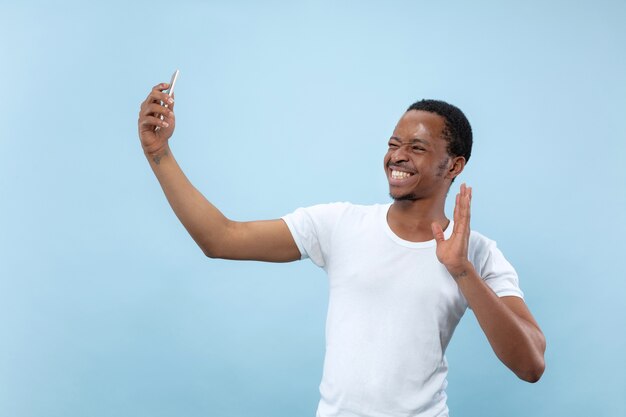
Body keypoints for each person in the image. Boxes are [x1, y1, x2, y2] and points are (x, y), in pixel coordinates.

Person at [137, 82, 546, 417]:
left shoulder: (477, 253)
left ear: (454, 166)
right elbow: (220, 238)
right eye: (394, 143)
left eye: (417, 148)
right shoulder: (340, 225)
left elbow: (530, 365)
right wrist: (160, 154)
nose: (398, 156)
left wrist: (461, 271)